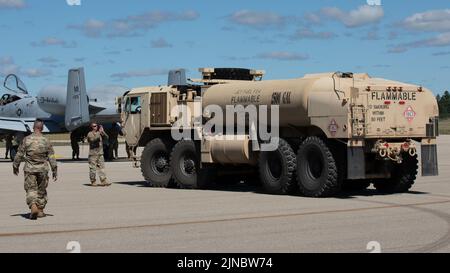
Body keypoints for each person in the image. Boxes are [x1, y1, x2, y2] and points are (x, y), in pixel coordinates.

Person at [13, 120, 58, 220]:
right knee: (41, 190)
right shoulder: (46, 140)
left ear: (33, 128)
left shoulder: (26, 139)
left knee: (31, 189)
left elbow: (19, 154)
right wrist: (54, 170)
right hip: (43, 169)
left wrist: (15, 166)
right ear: (41, 128)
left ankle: (33, 205)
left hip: (30, 169)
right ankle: (40, 210)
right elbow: (51, 156)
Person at [87, 123, 111, 187]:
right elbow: (93, 140)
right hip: (93, 154)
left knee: (102, 168)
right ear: (91, 127)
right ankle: (93, 181)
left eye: (96, 126)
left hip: (100, 153)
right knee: (93, 169)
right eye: (94, 126)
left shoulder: (99, 133)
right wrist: (99, 133)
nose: (96, 127)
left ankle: (103, 181)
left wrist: (103, 131)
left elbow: (107, 137)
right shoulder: (90, 134)